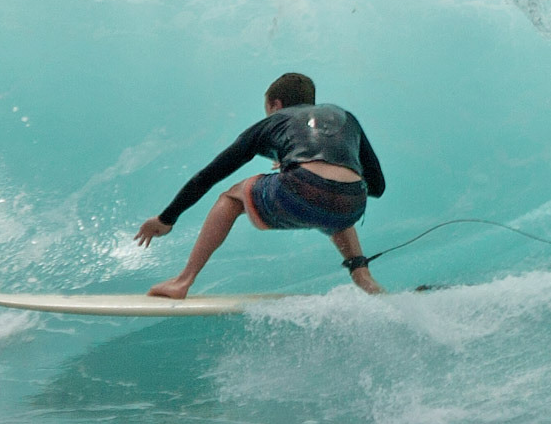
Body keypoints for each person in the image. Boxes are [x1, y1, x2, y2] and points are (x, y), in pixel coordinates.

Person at [135, 73, 386, 298]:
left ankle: (183, 281)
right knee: (336, 194)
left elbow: (208, 176)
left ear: (275, 105)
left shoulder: (272, 122)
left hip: (300, 192)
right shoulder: (344, 117)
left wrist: (166, 218)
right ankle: (363, 277)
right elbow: (377, 186)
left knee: (231, 197)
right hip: (351, 204)